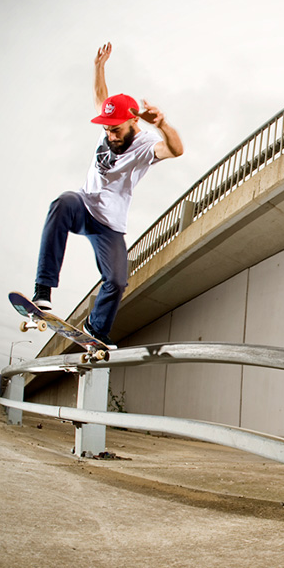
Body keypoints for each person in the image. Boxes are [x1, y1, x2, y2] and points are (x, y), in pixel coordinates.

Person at [32, 42, 184, 345]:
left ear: (133, 121)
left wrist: (164, 124)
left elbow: (176, 150)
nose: (110, 136)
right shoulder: (112, 123)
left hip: (109, 226)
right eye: (107, 131)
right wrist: (99, 66)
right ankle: (43, 291)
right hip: (82, 205)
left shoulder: (145, 146)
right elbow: (102, 98)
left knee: (117, 281)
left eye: (116, 131)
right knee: (62, 202)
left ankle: (95, 330)